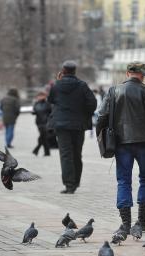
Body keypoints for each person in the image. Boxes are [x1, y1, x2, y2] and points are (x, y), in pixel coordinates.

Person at [96, 62, 145, 234]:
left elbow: (102, 116)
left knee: (123, 181)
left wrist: (101, 138)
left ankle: (126, 224)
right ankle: (143, 220)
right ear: (143, 75)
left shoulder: (114, 91)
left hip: (121, 143)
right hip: (144, 142)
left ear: (127, 73)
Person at [47, 61, 97, 194]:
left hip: (62, 126)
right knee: (76, 153)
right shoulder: (82, 85)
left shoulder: (56, 85)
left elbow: (51, 100)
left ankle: (69, 184)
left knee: (65, 155)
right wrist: (84, 113)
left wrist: (58, 82)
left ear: (62, 71)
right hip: (78, 125)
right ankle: (75, 182)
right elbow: (92, 103)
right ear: (75, 71)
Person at [32, 92, 51, 156]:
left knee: (43, 137)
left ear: (45, 97)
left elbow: (51, 112)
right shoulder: (36, 103)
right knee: (44, 137)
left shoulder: (47, 103)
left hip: (46, 122)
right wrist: (33, 112)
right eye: (39, 96)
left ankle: (37, 149)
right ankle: (47, 152)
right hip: (39, 122)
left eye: (42, 96)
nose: (40, 97)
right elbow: (34, 111)